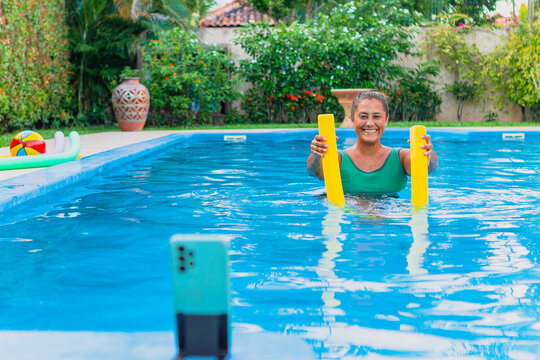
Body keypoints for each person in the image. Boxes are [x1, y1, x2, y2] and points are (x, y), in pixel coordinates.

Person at [307, 89, 437, 195]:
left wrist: (427, 154)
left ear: (386, 119)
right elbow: (316, 173)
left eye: (376, 116)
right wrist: (318, 155)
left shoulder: (401, 158)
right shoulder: (338, 158)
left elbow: (428, 168)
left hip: (391, 216)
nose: (369, 123)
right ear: (352, 119)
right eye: (363, 116)